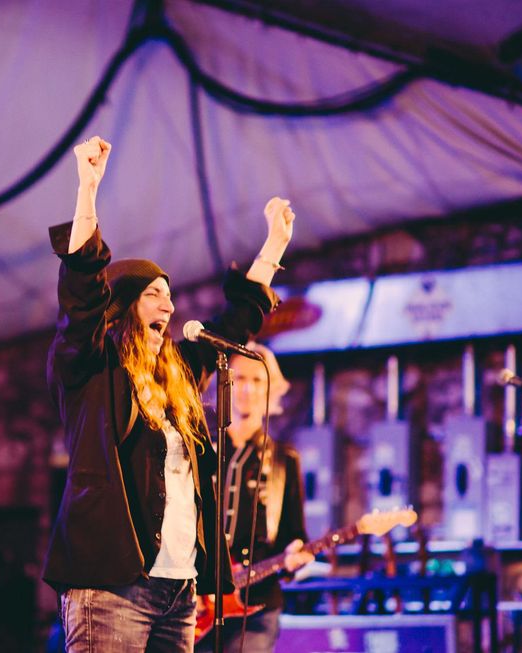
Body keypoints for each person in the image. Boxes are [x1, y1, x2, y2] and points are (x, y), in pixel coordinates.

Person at [44, 135, 295, 652]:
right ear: (127, 306)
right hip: (111, 584)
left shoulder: (179, 374)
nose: (168, 304)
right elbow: (83, 298)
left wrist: (272, 249)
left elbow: (238, 323)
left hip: (179, 589)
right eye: (154, 294)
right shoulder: (94, 369)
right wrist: (87, 191)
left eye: (170, 295)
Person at [196, 344, 314, 653]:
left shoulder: (283, 460)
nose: (247, 388)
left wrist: (295, 556)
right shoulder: (200, 448)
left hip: (257, 605)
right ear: (223, 385)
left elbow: (295, 533)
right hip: (196, 602)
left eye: (257, 380)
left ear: (271, 390)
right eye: (239, 378)